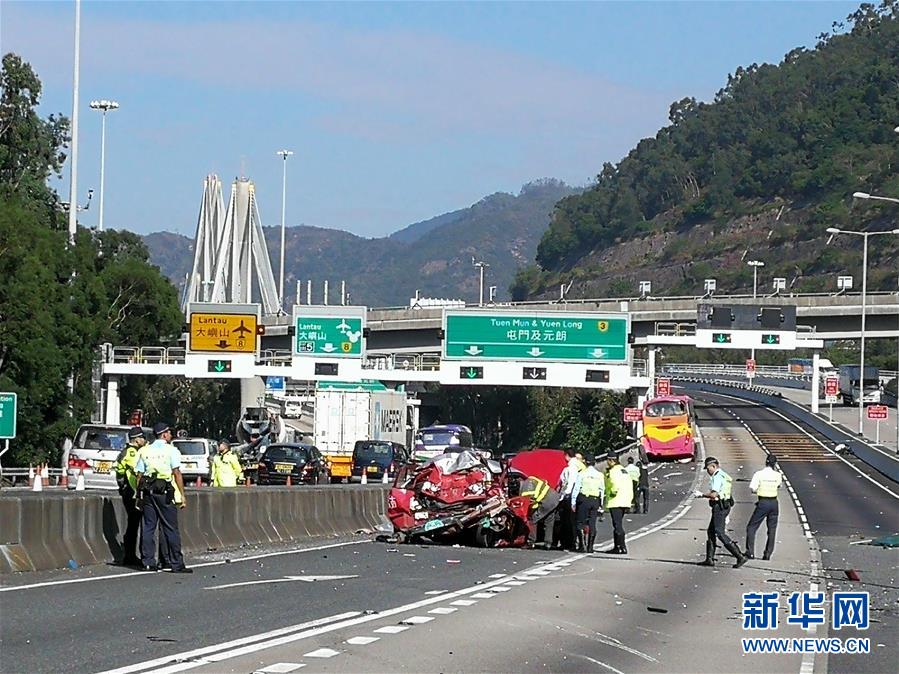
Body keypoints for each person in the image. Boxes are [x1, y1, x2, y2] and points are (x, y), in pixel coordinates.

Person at [135, 422, 192, 573]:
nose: (171, 435)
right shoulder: (171, 450)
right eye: (169, 433)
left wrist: (138, 495)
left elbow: (139, 475)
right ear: (164, 434)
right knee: (170, 528)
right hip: (164, 491)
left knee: (148, 527)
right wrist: (182, 495)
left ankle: (148, 562)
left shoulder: (144, 450)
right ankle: (176, 563)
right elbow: (176, 472)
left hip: (148, 491)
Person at [693, 456, 748, 568]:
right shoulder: (723, 475)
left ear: (713, 466)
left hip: (720, 506)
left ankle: (739, 556)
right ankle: (709, 559)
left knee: (720, 532)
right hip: (724, 505)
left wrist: (701, 495)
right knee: (711, 531)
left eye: (708, 468)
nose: (707, 471)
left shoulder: (717, 477)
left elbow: (714, 494)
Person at [113, 426, 145, 567]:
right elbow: (137, 469)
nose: (144, 440)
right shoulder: (131, 453)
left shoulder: (131, 451)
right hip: (132, 492)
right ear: (136, 439)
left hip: (131, 491)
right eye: (142, 437)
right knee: (134, 523)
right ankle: (130, 556)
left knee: (134, 523)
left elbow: (119, 470)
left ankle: (131, 555)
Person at [743, 454, 783, 560]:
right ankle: (767, 554)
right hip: (774, 503)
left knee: (752, 527)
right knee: (772, 529)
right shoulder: (777, 475)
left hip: (763, 502)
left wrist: (759, 489)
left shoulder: (759, 474)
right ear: (775, 464)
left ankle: (750, 552)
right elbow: (779, 485)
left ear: (766, 462)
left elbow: (753, 488)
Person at [571, 455, 605, 553]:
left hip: (584, 499)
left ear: (585, 462)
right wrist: (601, 503)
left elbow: (577, 488)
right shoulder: (599, 475)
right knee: (592, 523)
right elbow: (602, 490)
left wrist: (573, 502)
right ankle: (590, 547)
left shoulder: (582, 473)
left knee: (580, 523)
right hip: (595, 499)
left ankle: (582, 546)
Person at [602, 451, 633, 554]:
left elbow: (614, 484)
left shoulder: (613, 471)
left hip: (615, 501)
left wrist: (612, 493)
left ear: (611, 460)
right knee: (618, 523)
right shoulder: (624, 470)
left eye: (608, 460)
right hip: (625, 500)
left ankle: (620, 547)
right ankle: (619, 546)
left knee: (617, 524)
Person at [521, 475, 561, 550]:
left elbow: (532, 504)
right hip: (554, 497)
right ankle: (548, 543)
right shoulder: (532, 479)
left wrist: (530, 514)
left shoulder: (525, 490)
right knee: (549, 520)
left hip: (547, 502)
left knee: (533, 520)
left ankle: (530, 542)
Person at [558, 450, 586, 549]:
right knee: (575, 521)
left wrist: (565, 495)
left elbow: (570, 483)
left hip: (569, 496)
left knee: (567, 521)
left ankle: (569, 543)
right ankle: (576, 542)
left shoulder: (571, 467)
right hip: (580, 495)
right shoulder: (580, 466)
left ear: (566, 456)